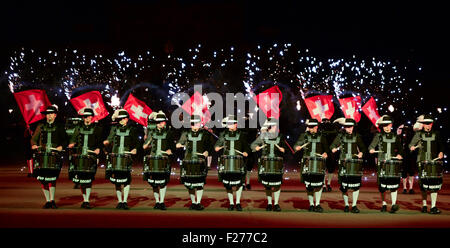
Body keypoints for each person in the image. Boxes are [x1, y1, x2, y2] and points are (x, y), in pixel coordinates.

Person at [30, 105, 67, 209]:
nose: (49, 116)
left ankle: (52, 199)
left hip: (54, 156)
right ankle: (47, 201)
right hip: (42, 155)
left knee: (52, 179)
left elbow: (65, 140)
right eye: (47, 114)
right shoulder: (40, 126)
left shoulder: (59, 126)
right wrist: (33, 145)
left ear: (55, 115)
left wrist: (61, 146)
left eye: (51, 114)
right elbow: (34, 139)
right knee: (43, 179)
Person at [409, 114, 445, 214]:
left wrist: (441, 152)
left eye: (429, 124)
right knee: (424, 184)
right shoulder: (418, 134)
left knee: (434, 184)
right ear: (423, 124)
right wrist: (412, 147)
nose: (428, 126)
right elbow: (411, 144)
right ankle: (424, 205)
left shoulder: (436, 134)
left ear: (432, 124)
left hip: (434, 161)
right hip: (422, 161)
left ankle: (433, 206)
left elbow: (441, 146)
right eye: (426, 124)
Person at [67, 108, 103, 209]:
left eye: (88, 116)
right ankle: (85, 199)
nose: (86, 118)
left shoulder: (97, 128)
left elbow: (99, 141)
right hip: (80, 155)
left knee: (89, 179)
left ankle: (86, 199)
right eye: (84, 116)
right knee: (82, 179)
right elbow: (74, 138)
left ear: (91, 117)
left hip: (91, 156)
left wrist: (98, 149)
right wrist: (72, 143)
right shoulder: (78, 127)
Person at [103, 109, 138, 210]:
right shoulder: (114, 128)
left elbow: (136, 142)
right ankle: (119, 201)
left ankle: (125, 201)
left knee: (126, 179)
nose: (122, 120)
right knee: (117, 179)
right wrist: (107, 142)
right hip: (116, 155)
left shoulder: (132, 129)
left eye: (124, 118)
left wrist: (135, 149)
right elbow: (110, 138)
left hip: (126, 156)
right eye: (120, 119)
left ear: (127, 119)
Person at [330, 118, 367, 213]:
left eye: (351, 127)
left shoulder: (357, 136)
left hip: (355, 164)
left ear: (353, 127)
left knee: (356, 185)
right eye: (348, 127)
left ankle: (354, 205)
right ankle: (346, 205)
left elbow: (363, 147)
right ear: (344, 127)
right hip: (344, 163)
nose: (350, 129)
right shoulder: (340, 136)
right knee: (344, 186)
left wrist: (361, 153)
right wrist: (333, 148)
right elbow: (332, 146)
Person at [176, 115, 212, 210]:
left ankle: (198, 202)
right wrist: (179, 144)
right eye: (192, 124)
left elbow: (209, 146)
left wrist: (207, 151)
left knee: (200, 183)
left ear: (200, 124)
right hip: (189, 161)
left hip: (200, 162)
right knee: (190, 183)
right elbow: (180, 142)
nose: (194, 125)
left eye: (196, 123)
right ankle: (193, 202)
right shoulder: (186, 133)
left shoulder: (205, 134)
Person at [215, 115, 250, 211]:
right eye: (230, 124)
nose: (231, 125)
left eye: (233, 123)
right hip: (226, 162)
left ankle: (238, 202)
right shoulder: (223, 134)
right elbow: (218, 145)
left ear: (236, 124)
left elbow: (247, 147)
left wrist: (246, 151)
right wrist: (217, 147)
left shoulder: (241, 134)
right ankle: (231, 203)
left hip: (238, 162)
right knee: (228, 184)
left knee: (239, 183)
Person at [368, 115, 403, 213]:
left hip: (393, 163)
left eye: (388, 125)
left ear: (391, 125)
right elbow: (371, 146)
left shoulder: (395, 136)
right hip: (382, 163)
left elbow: (400, 149)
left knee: (393, 185)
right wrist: (371, 149)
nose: (387, 128)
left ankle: (393, 205)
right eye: (385, 126)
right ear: (382, 127)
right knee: (382, 186)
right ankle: (384, 204)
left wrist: (400, 154)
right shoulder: (378, 136)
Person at [251, 118, 287, 212]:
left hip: (277, 163)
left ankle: (276, 203)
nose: (276, 127)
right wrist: (256, 147)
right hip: (266, 163)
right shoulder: (263, 136)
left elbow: (285, 148)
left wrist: (283, 149)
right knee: (267, 184)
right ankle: (269, 203)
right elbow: (252, 145)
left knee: (277, 184)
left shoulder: (280, 136)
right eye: (274, 126)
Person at [294, 118, 329, 212]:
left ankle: (317, 204)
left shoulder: (322, 136)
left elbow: (327, 149)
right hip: (307, 162)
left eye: (312, 127)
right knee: (309, 184)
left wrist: (325, 153)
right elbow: (297, 144)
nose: (310, 129)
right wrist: (296, 147)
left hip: (319, 163)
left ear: (316, 127)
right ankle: (311, 204)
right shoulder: (304, 136)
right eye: (309, 127)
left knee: (319, 184)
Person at [142, 111, 175, 210]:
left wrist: (170, 150)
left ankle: (162, 201)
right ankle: (157, 201)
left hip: (164, 160)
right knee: (155, 182)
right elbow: (144, 146)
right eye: (159, 122)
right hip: (154, 159)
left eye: (162, 122)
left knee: (163, 182)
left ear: (165, 122)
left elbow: (172, 147)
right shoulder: (152, 133)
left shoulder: (168, 133)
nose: (161, 123)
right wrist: (147, 143)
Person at [398, 123, 417, 194]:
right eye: (404, 130)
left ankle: (411, 188)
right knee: (404, 172)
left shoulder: (412, 137)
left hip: (411, 155)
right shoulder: (400, 138)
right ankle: (405, 188)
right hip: (404, 156)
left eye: (406, 130)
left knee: (411, 172)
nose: (405, 132)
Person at [320, 118, 338, 192]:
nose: (326, 123)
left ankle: (328, 183)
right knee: (323, 168)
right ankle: (324, 184)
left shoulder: (332, 128)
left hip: (330, 151)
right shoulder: (321, 128)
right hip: (323, 151)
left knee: (330, 168)